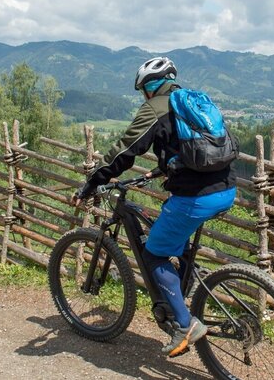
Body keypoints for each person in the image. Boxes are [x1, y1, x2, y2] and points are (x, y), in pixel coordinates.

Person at [72, 56, 237, 357]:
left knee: (154, 255)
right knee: (175, 236)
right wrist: (161, 170)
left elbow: (124, 151)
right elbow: (194, 153)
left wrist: (94, 180)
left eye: (142, 91)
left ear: (149, 87)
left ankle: (185, 325)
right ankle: (183, 287)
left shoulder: (155, 108)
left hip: (195, 197)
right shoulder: (192, 103)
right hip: (226, 189)